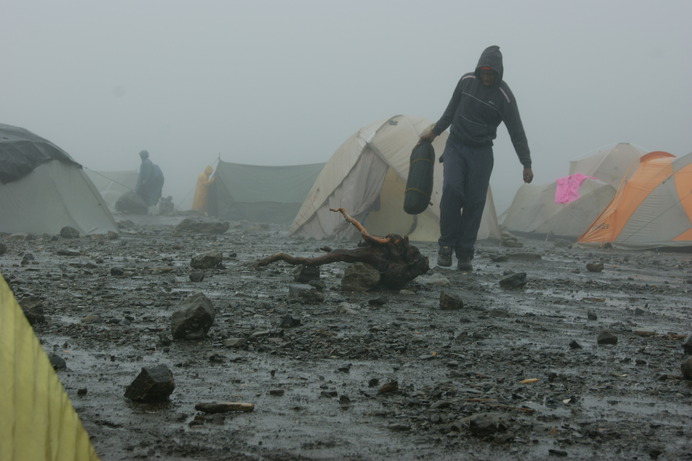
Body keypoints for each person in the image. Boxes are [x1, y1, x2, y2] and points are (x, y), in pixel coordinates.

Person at [420, 45, 534, 271]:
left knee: (474, 201)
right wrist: (434, 132)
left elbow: (516, 131)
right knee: (452, 190)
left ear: (498, 73)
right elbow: (451, 109)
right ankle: (445, 247)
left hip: (481, 152)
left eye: (491, 73)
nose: (487, 77)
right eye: (484, 72)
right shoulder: (466, 81)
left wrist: (526, 163)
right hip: (456, 145)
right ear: (478, 70)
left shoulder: (504, 96)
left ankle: (465, 253)